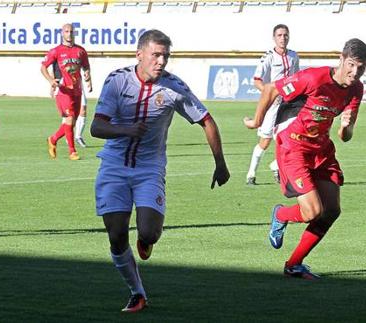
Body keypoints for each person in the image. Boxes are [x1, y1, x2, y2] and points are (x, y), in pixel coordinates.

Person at [91, 29, 230, 312]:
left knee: (149, 233)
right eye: (156, 55)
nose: (161, 61)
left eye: (165, 55)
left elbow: (206, 120)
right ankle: (137, 292)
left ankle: (146, 239)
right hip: (114, 166)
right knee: (116, 234)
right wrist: (126, 130)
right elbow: (97, 127)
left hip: (149, 169)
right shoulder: (117, 81)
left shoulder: (173, 87)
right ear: (139, 54)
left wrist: (220, 163)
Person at [244, 38, 366, 279]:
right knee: (313, 211)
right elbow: (272, 88)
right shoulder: (314, 78)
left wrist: (346, 127)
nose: (355, 73)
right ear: (342, 59)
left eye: (362, 68)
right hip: (294, 148)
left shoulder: (356, 89)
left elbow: (345, 136)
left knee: (332, 210)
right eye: (352, 65)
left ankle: (294, 265)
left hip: (322, 150)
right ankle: (281, 214)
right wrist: (258, 121)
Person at [246, 24, 299, 185]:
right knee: (265, 141)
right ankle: (251, 174)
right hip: (272, 105)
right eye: (280, 35)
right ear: (274, 38)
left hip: (289, 104)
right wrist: (269, 94)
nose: (283, 38)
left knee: (290, 139)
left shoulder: (294, 56)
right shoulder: (268, 57)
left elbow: (297, 77)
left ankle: (277, 166)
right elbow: (257, 80)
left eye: (285, 35)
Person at [41, 23, 92, 160]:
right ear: (62, 33)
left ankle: (53, 139)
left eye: (71, 31)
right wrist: (51, 81)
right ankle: (72, 151)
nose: (69, 34)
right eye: (66, 31)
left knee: (72, 122)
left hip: (77, 90)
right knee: (69, 120)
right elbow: (43, 67)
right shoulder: (56, 51)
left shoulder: (80, 51)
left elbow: (86, 67)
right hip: (63, 90)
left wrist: (88, 77)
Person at [51, 62, 89, 148]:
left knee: (81, 112)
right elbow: (54, 70)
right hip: (64, 87)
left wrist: (89, 79)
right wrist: (52, 85)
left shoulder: (79, 51)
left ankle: (76, 136)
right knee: (69, 118)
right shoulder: (58, 52)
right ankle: (72, 149)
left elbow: (85, 65)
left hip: (77, 85)